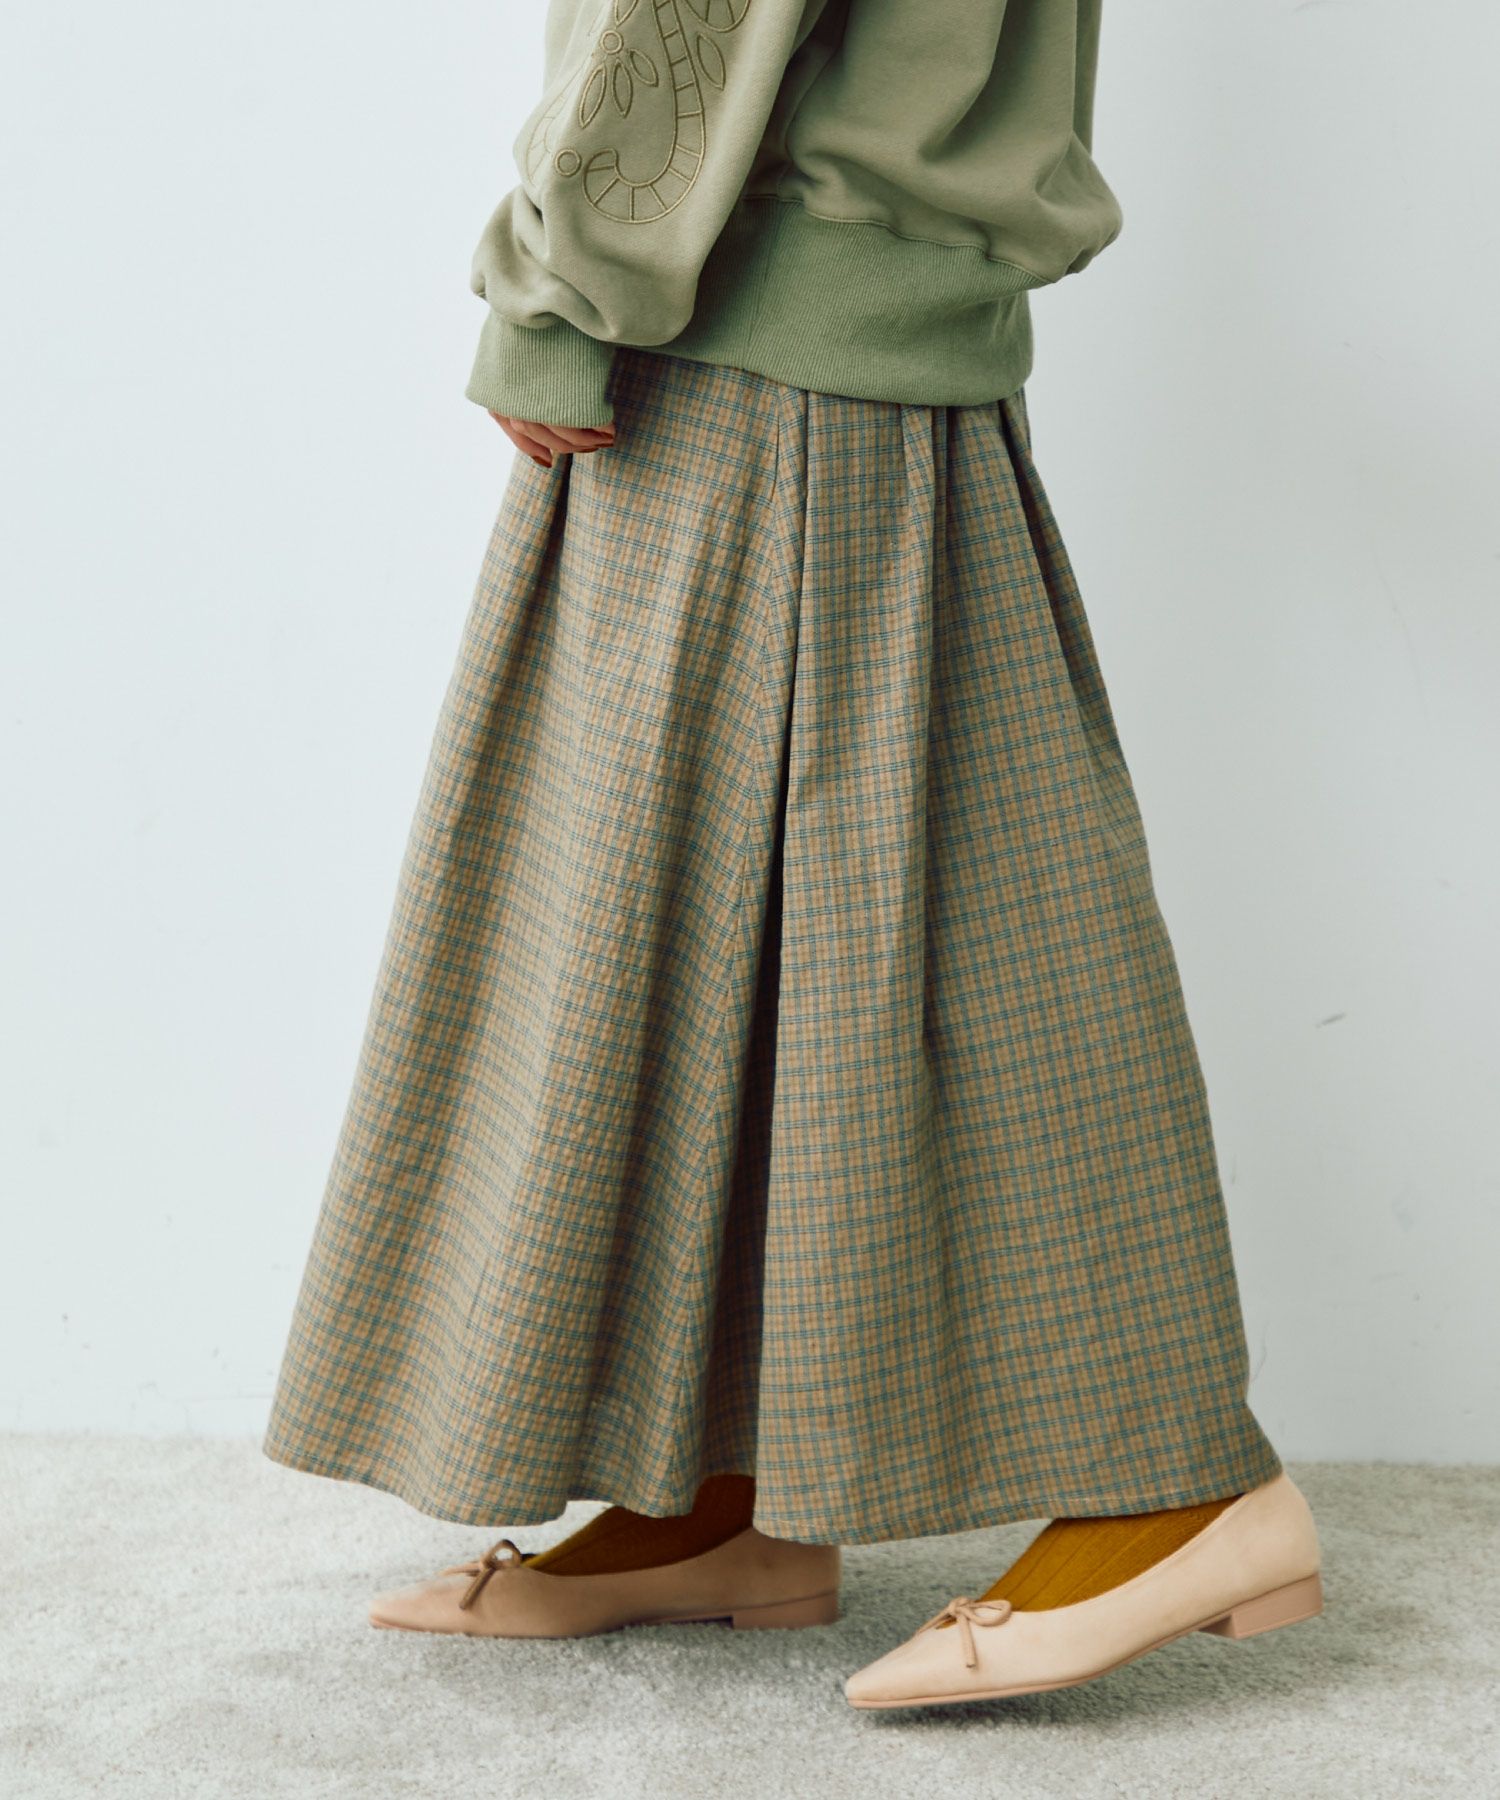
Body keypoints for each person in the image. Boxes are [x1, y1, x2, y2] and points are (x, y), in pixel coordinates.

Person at [262, 0, 1323, 1708]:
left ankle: (1176, 1477)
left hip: (744, 336)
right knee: (776, 930)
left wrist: (558, 288)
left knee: (955, 926)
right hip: (849, 328)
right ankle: (726, 1490)